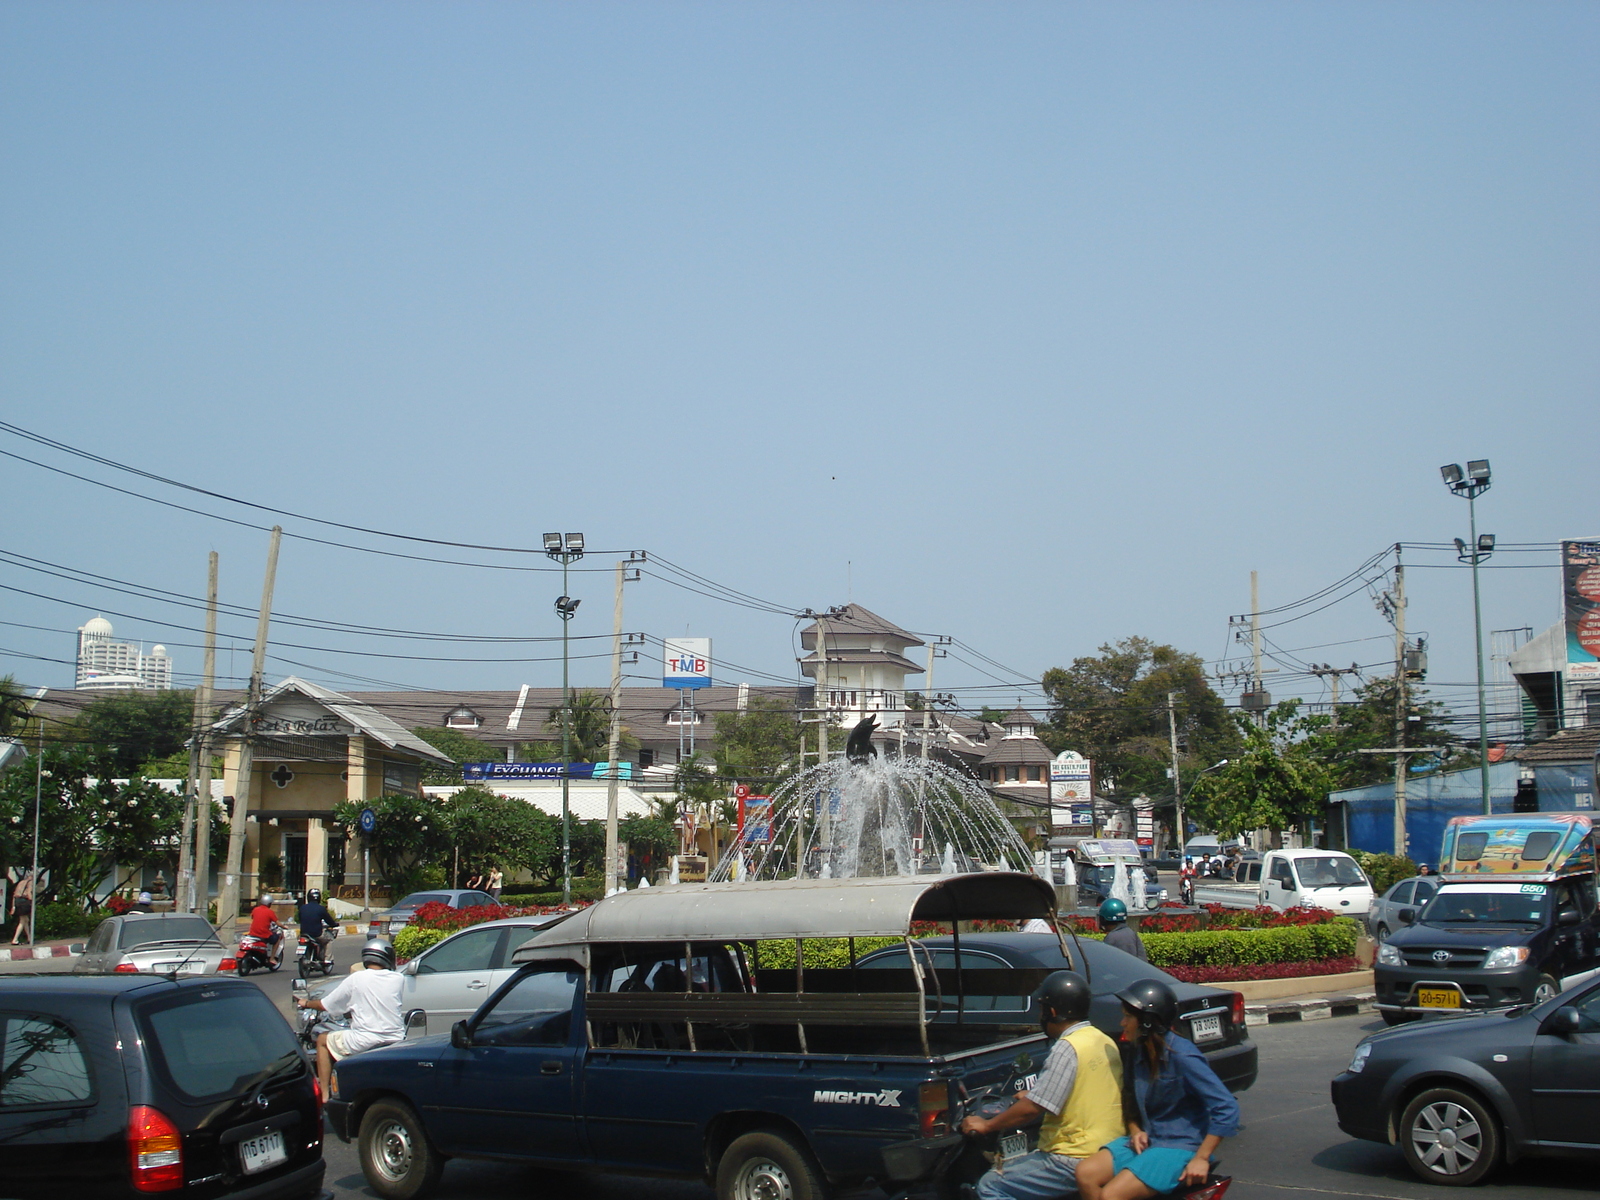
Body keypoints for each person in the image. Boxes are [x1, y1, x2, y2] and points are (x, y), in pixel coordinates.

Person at [960, 971, 1125, 1200]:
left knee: (990, 1184)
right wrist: (1035, 1094)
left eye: (1043, 1009)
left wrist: (988, 1126)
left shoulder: (1067, 1047)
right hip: (1111, 1151)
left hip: (1073, 1155)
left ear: (1053, 1012)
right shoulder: (1102, 1039)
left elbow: (1031, 1109)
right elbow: (1086, 1088)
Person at [1077, 980, 1240, 1200]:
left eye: (1128, 1017)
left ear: (1147, 1022)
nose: (1122, 1022)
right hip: (1152, 1139)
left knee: (1111, 1196)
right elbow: (1130, 1101)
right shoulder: (1139, 1052)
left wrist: (1201, 1157)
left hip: (1180, 1145)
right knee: (1085, 1174)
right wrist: (1136, 1130)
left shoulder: (1183, 1056)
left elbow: (1227, 1108)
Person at [295, 938, 404, 1096]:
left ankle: (324, 1094)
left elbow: (325, 1005)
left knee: (322, 1040)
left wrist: (306, 1003)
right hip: (396, 1038)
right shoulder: (398, 979)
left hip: (365, 1040)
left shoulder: (357, 979)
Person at [297, 888, 338, 966]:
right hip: (317, 934)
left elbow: (300, 919)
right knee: (329, 939)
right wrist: (334, 924)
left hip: (304, 934)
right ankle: (327, 959)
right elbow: (329, 920)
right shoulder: (321, 909)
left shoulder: (302, 908)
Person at [248, 894, 284, 966]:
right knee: (277, 939)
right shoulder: (269, 912)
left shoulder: (255, 909)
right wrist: (284, 926)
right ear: (269, 903)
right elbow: (278, 923)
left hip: (252, 933)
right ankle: (272, 958)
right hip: (264, 934)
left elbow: (252, 917)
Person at [9, 870, 34, 945]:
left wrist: (13, 906)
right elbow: (29, 893)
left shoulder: (21, 882)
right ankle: (15, 939)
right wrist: (32, 902)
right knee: (22, 921)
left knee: (26, 919)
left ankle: (29, 938)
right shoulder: (30, 882)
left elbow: (14, 894)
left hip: (17, 901)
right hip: (23, 901)